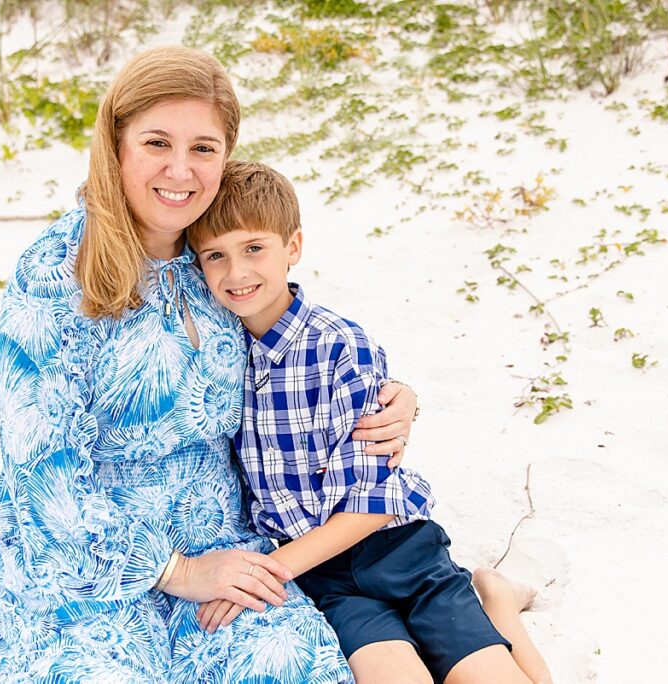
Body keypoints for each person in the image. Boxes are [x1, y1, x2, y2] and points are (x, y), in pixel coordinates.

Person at [0, 46, 418, 683]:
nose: (180, 170)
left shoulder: (215, 257)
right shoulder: (55, 275)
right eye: (157, 142)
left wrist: (392, 394)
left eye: (203, 148)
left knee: (291, 668)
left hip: (221, 538)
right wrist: (177, 572)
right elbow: (42, 474)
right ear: (116, 145)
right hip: (84, 558)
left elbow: (299, 346)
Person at [186, 161, 554, 684]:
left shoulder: (340, 346)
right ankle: (491, 604)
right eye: (215, 256)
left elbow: (373, 503)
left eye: (254, 248)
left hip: (401, 551)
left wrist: (268, 572)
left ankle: (497, 601)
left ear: (292, 247)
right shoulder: (220, 351)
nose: (236, 272)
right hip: (326, 576)